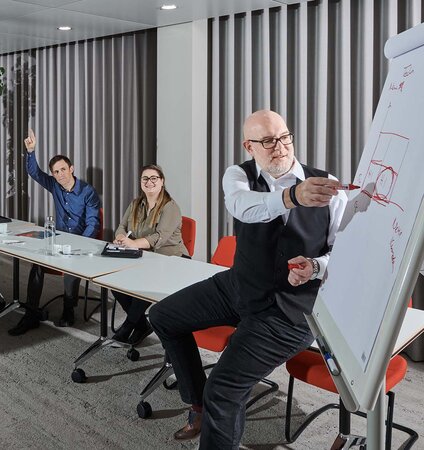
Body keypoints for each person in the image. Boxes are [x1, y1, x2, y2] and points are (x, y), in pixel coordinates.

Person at [148, 110, 348, 448]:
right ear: (249, 145)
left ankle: (212, 406)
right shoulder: (238, 176)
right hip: (239, 287)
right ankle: (198, 404)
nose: (280, 147)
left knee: (224, 389)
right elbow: (244, 208)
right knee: (162, 316)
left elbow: (343, 255)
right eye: (267, 141)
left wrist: (315, 267)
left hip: (290, 312)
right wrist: (292, 197)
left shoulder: (328, 187)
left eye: (284, 137)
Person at [8, 129, 101, 335]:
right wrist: (30, 151)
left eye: (63, 170)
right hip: (59, 239)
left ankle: (69, 310)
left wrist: (82, 245)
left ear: (71, 169)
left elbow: (93, 223)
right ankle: (31, 313)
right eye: (56, 172)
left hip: (80, 242)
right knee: (37, 264)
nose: (60, 175)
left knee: (70, 266)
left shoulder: (87, 192)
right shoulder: (55, 185)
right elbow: (35, 173)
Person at [111, 164, 189, 345]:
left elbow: (159, 237)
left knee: (144, 286)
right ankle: (141, 325)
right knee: (114, 282)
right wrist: (121, 237)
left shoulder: (170, 207)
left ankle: (129, 325)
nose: (149, 182)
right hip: (144, 257)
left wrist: (133, 243)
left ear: (162, 182)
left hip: (172, 259)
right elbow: (122, 226)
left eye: (154, 178)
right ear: (140, 182)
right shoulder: (135, 204)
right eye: (145, 178)